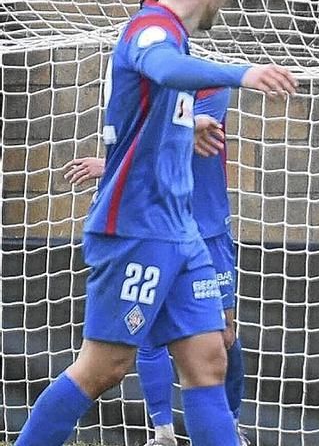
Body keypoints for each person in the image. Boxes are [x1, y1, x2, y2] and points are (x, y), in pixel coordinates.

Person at [14, 0, 297, 444]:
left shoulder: (174, 36)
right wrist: (241, 73)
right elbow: (163, 67)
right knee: (104, 367)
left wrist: (187, 125)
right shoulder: (150, 29)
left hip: (181, 231)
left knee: (208, 361)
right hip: (136, 229)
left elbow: (151, 108)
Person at [63, 86, 249, 446]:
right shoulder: (142, 89)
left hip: (206, 229)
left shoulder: (210, 86)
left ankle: (232, 424)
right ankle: (162, 433)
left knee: (223, 336)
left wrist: (111, 164)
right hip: (155, 229)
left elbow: (180, 143)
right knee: (145, 332)